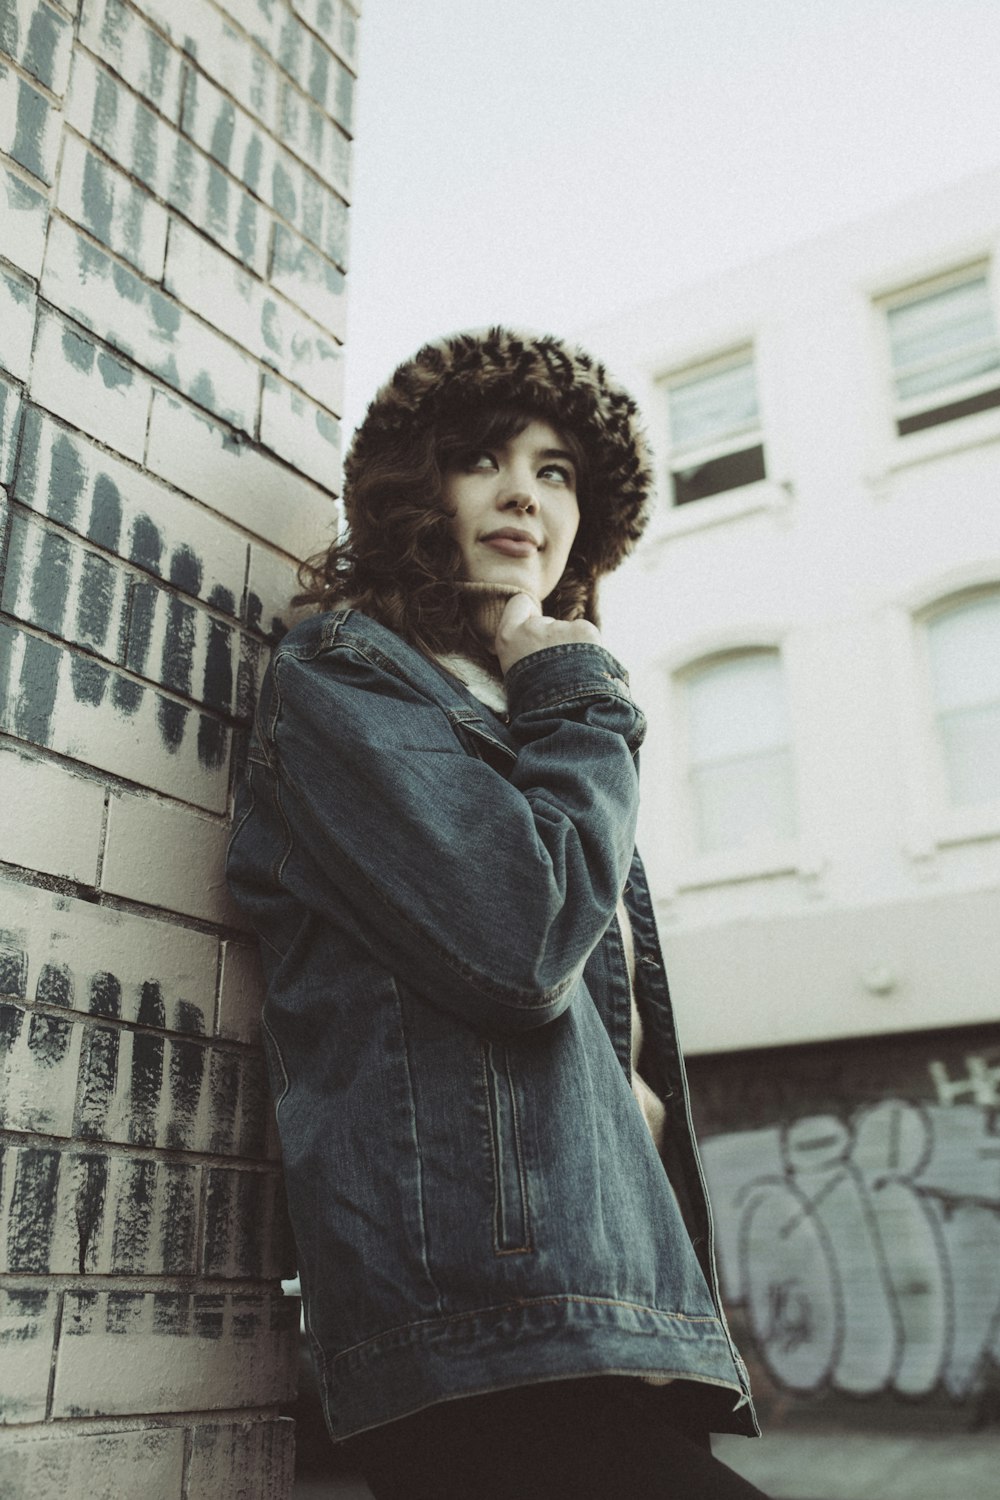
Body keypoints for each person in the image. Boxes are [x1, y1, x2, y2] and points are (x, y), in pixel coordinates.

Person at [226, 328, 765, 1499]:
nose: (525, 491)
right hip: (473, 1323)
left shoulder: (518, 700)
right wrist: (577, 693)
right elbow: (522, 950)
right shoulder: (349, 676)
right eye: (483, 458)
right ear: (416, 489)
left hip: (602, 1296)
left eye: (558, 470)